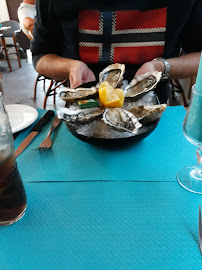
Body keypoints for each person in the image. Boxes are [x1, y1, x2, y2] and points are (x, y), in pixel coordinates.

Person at [31, 0, 202, 103]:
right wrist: (70, 67)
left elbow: (198, 56)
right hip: (83, 106)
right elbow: (41, 56)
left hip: (154, 106)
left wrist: (161, 67)